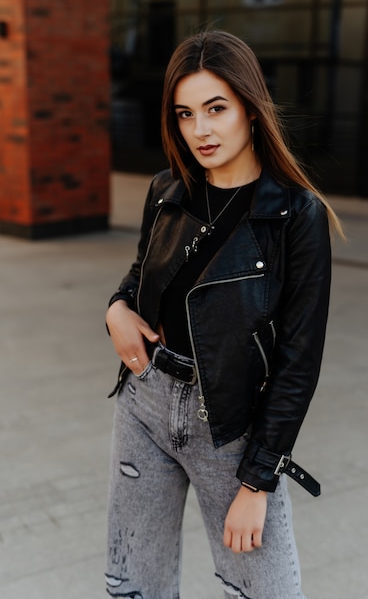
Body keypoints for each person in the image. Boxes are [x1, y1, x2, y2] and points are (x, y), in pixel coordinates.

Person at [105, 30, 343, 599]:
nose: (200, 131)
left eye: (216, 109)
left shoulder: (294, 215)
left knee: (266, 591)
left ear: (250, 109)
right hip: (145, 405)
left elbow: (298, 360)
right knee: (132, 586)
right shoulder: (169, 189)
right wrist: (115, 306)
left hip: (232, 427)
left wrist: (258, 481)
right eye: (185, 114)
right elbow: (145, 272)